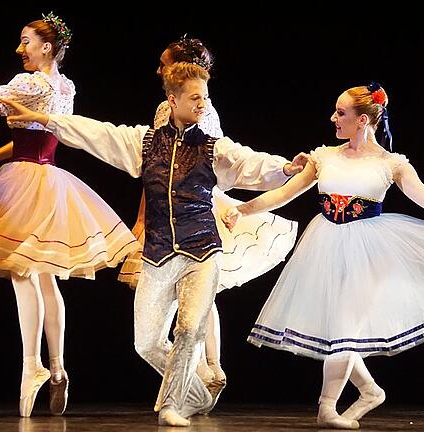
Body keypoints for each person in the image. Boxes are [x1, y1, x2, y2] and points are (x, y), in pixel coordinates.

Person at [1, 61, 301, 426]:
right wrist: (43, 119)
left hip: (202, 251)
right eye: (195, 97)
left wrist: (284, 168)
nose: (202, 104)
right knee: (145, 343)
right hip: (159, 254)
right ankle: (196, 395)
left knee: (189, 328)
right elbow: (98, 133)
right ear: (172, 101)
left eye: (205, 97)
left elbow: (248, 162)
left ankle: (174, 404)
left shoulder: (213, 148)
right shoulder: (143, 142)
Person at [222, 83, 424, 429]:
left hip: (371, 251)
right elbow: (283, 195)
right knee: (339, 328)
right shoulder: (324, 157)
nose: (333, 118)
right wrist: (243, 209)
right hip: (326, 244)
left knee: (346, 326)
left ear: (363, 120)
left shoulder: (391, 165)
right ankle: (370, 390)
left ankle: (327, 407)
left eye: (341, 113)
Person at [0, 13, 139, 417]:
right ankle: (57, 367)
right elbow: (42, 133)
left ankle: (30, 366)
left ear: (47, 48)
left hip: (24, 184)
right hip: (51, 178)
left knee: (21, 272)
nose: (20, 49)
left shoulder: (27, 82)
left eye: (26, 41)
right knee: (46, 278)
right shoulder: (64, 86)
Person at [117, 37, 304, 405]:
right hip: (200, 199)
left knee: (191, 296)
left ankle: (202, 371)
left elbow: (164, 170)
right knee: (201, 295)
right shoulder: (204, 104)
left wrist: (144, 217)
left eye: (163, 63)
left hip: (196, 205)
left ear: (178, 69)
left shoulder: (176, 109)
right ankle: (208, 368)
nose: (158, 70)